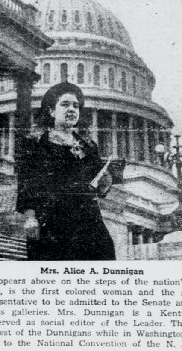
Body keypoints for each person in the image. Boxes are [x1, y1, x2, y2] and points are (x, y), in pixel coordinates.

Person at [16, 82, 116, 261]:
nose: (72, 109)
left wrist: (105, 182)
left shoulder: (88, 145)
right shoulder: (35, 142)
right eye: (65, 104)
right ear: (51, 111)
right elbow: (26, 184)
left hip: (88, 219)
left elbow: (98, 182)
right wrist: (30, 218)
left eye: (76, 106)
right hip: (52, 220)